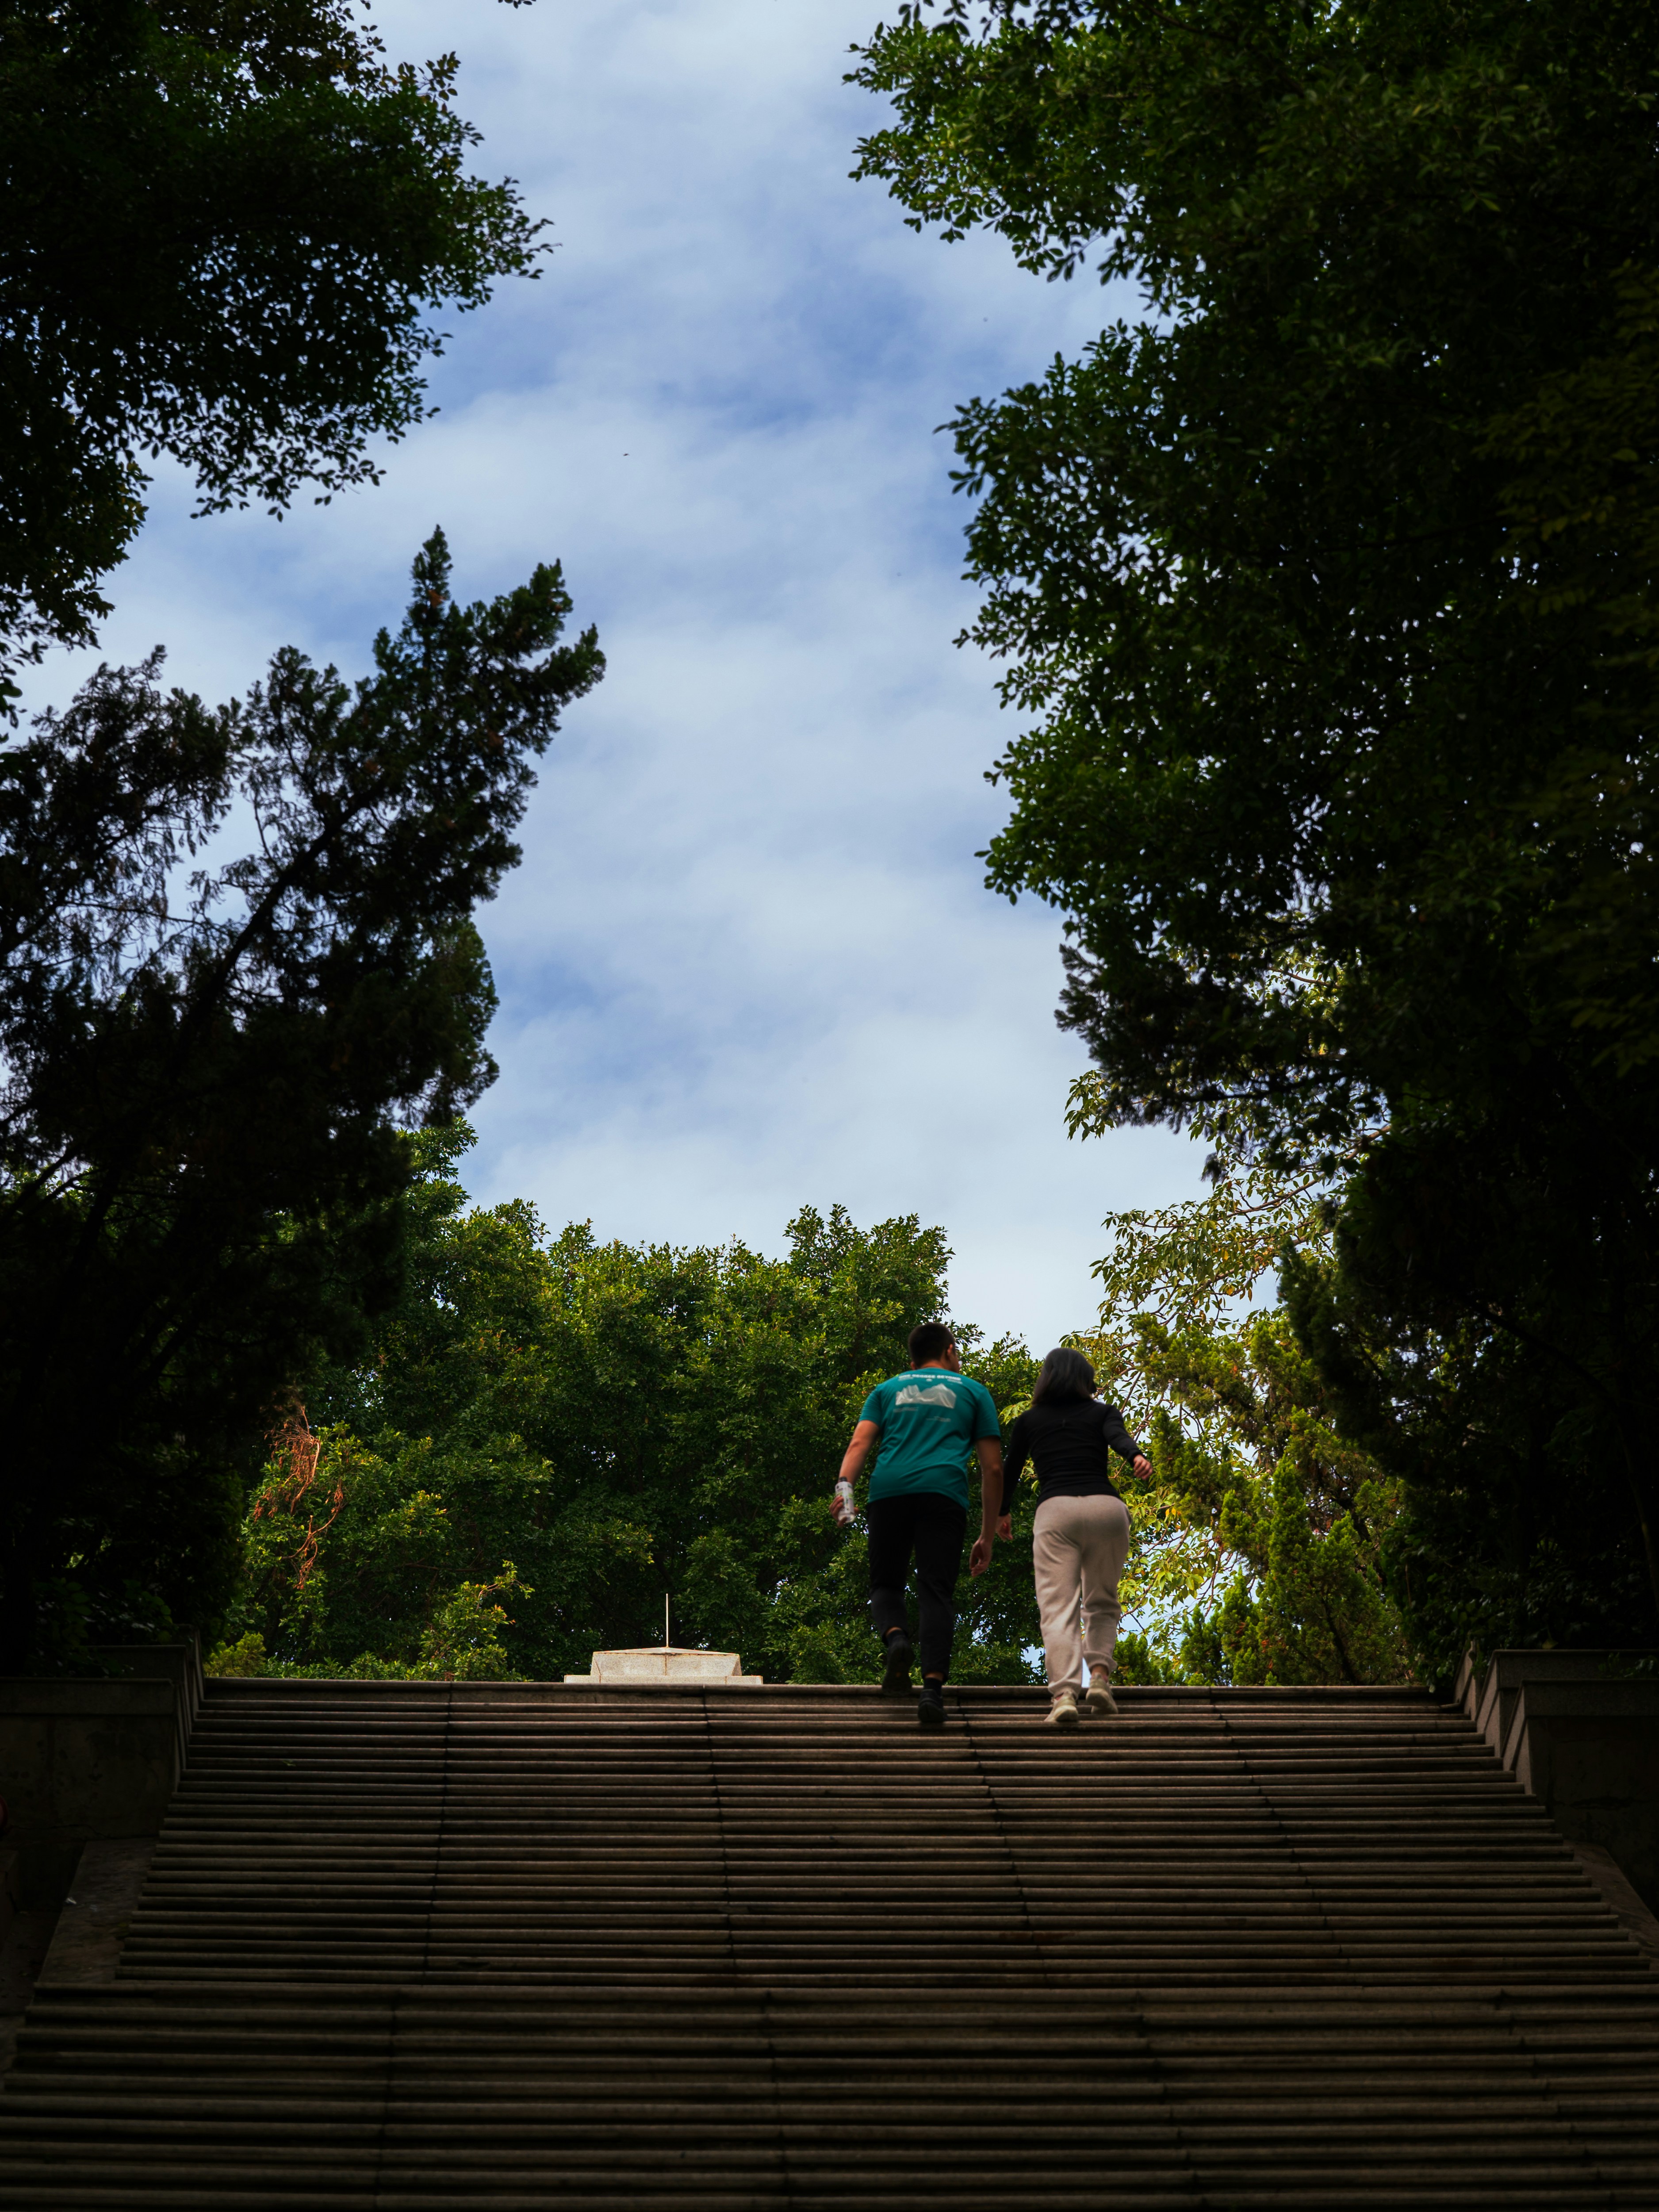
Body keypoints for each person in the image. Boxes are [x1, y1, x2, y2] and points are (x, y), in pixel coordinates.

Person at [832, 1321, 1005, 1727]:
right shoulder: (973, 1391)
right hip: (943, 1495)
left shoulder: (887, 1390)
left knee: (886, 1583)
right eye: (957, 1354)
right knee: (935, 1590)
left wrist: (846, 1495)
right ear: (948, 1351)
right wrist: (986, 1533)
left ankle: (896, 1639)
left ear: (911, 1361)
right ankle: (931, 1690)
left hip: (889, 1493)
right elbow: (993, 1468)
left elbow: (859, 1444)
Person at [975, 1346, 1150, 1727]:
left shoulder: (1028, 1420)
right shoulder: (1101, 1412)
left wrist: (1002, 1512)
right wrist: (1135, 1456)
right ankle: (1101, 1677)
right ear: (1085, 1380)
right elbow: (1117, 1436)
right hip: (1106, 1509)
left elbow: (1009, 1467)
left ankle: (1065, 1694)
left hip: (1056, 1512)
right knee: (1102, 1599)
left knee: (1059, 1606)